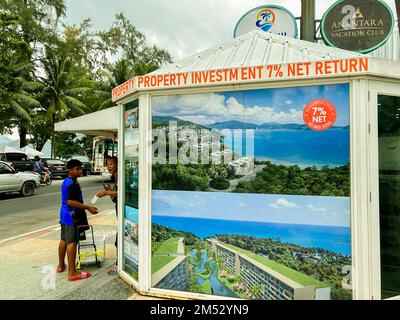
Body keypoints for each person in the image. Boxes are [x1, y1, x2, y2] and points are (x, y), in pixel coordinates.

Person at [57, 159, 99, 281]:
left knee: (64, 239)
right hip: (72, 215)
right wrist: (88, 208)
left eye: (80, 168)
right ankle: (72, 272)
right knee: (72, 242)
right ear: (69, 170)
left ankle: (61, 265)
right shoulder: (72, 184)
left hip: (64, 214)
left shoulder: (67, 181)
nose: (80, 171)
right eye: (77, 169)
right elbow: (71, 201)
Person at [96, 156, 118, 275]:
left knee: (120, 239)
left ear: (117, 164)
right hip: (119, 209)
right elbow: (115, 197)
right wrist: (110, 192)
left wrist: (107, 192)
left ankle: (119, 265)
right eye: (107, 164)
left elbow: (124, 192)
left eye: (111, 164)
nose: (109, 166)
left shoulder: (121, 176)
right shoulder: (115, 177)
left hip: (125, 210)